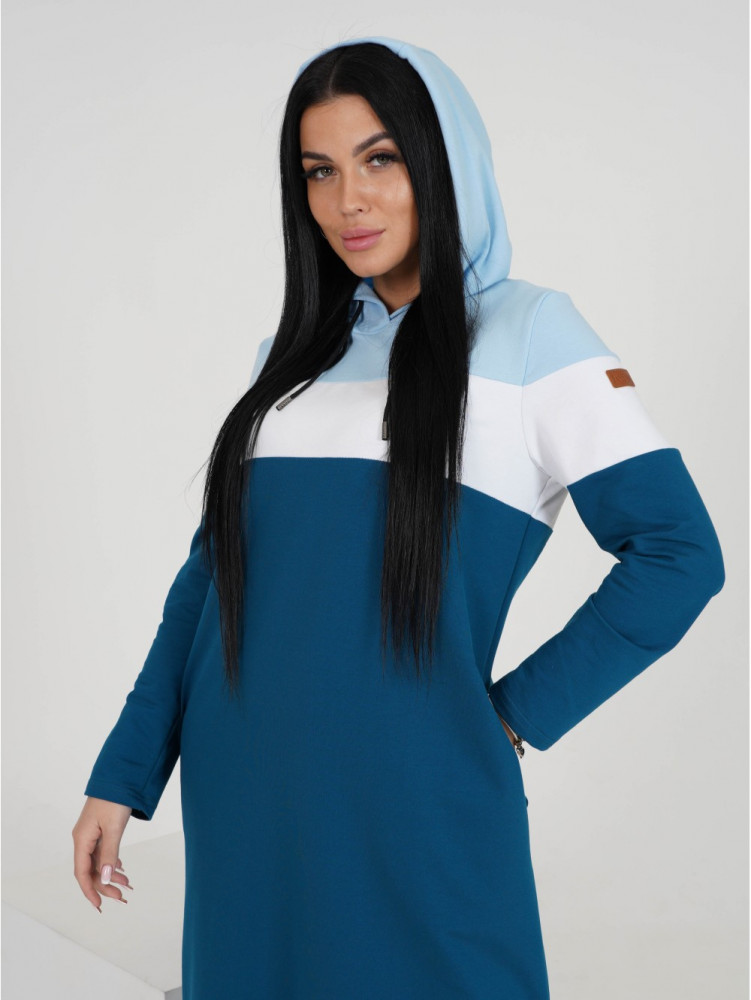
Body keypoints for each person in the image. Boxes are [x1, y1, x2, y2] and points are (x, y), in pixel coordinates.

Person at [72, 36, 725, 999]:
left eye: (379, 159)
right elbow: (211, 579)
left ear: (443, 159)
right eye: (319, 171)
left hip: (419, 796)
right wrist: (123, 771)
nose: (349, 200)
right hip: (241, 793)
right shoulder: (287, 358)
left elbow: (678, 553)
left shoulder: (533, 334)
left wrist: (511, 717)